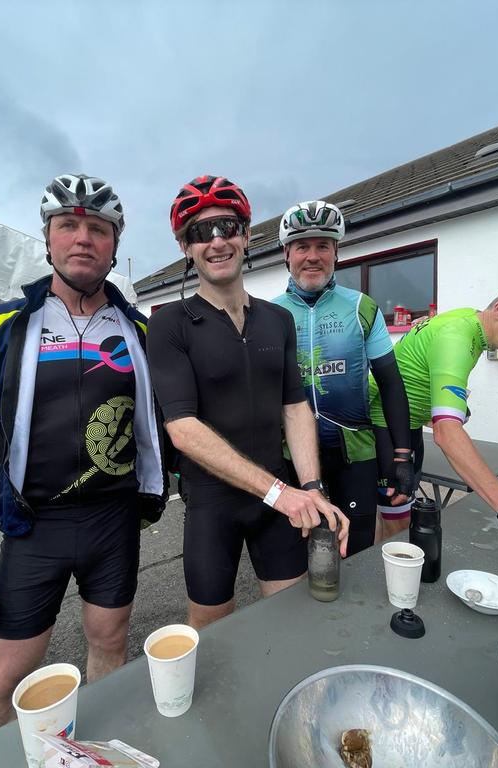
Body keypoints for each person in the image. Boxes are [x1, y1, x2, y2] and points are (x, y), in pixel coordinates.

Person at [0, 174, 167, 751]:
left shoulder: (138, 330)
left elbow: (163, 418)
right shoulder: (7, 325)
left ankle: (95, 757)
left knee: (109, 647)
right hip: (36, 525)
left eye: (98, 229)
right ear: (50, 239)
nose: (83, 238)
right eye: (69, 225)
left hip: (113, 519)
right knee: (7, 677)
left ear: (114, 243)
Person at [148, 175, 349, 631]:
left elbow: (295, 407)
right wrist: (282, 494)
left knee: (291, 619)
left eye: (227, 227)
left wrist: (312, 487)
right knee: (212, 631)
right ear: (186, 248)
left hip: (280, 497)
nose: (216, 241)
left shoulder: (278, 320)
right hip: (213, 503)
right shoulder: (170, 325)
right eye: (201, 233)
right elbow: (182, 428)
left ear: (246, 235)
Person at [371, 273, 498, 553]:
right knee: (397, 524)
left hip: (406, 425)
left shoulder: (468, 320)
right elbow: (446, 433)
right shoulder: (457, 336)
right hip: (380, 426)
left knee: (399, 519)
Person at [271, 200, 416, 557]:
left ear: (337, 252)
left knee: (359, 549)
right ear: (286, 254)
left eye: (323, 245)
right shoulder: (269, 314)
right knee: (297, 551)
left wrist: (402, 454)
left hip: (355, 450)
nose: (313, 256)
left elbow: (390, 383)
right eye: (302, 246)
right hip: (292, 453)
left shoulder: (361, 307)